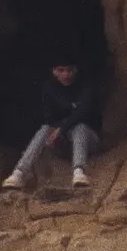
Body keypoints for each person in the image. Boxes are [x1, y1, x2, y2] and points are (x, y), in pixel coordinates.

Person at [9, 47, 106, 194]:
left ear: (76, 70)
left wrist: (62, 128)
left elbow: (83, 112)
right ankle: (18, 173)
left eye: (69, 70)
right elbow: (48, 118)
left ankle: (79, 171)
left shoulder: (86, 85)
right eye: (61, 70)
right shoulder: (49, 88)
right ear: (54, 71)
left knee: (79, 126)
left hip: (88, 140)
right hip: (61, 141)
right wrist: (58, 132)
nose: (66, 74)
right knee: (44, 129)